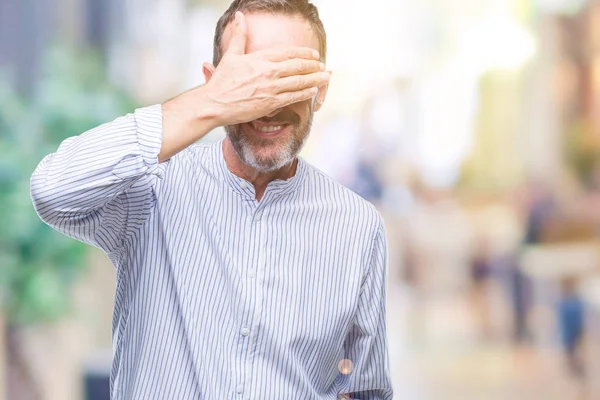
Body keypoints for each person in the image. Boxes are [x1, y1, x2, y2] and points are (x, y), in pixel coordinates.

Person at [30, 1, 393, 399]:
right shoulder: (153, 187)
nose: (267, 102)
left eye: (287, 78)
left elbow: (363, 389)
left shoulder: (357, 225)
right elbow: (53, 191)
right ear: (214, 81)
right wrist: (211, 102)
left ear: (320, 91)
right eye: (250, 78)